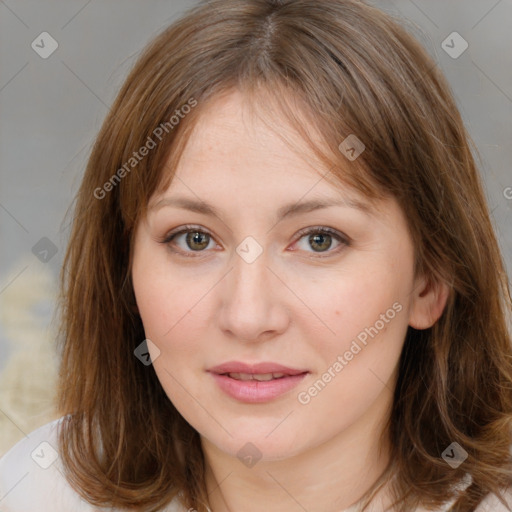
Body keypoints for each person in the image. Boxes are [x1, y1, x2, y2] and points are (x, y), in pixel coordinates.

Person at [1, 0, 511, 510]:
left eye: (319, 240)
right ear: (124, 271)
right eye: (194, 239)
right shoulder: (34, 492)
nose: (248, 316)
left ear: (429, 281)